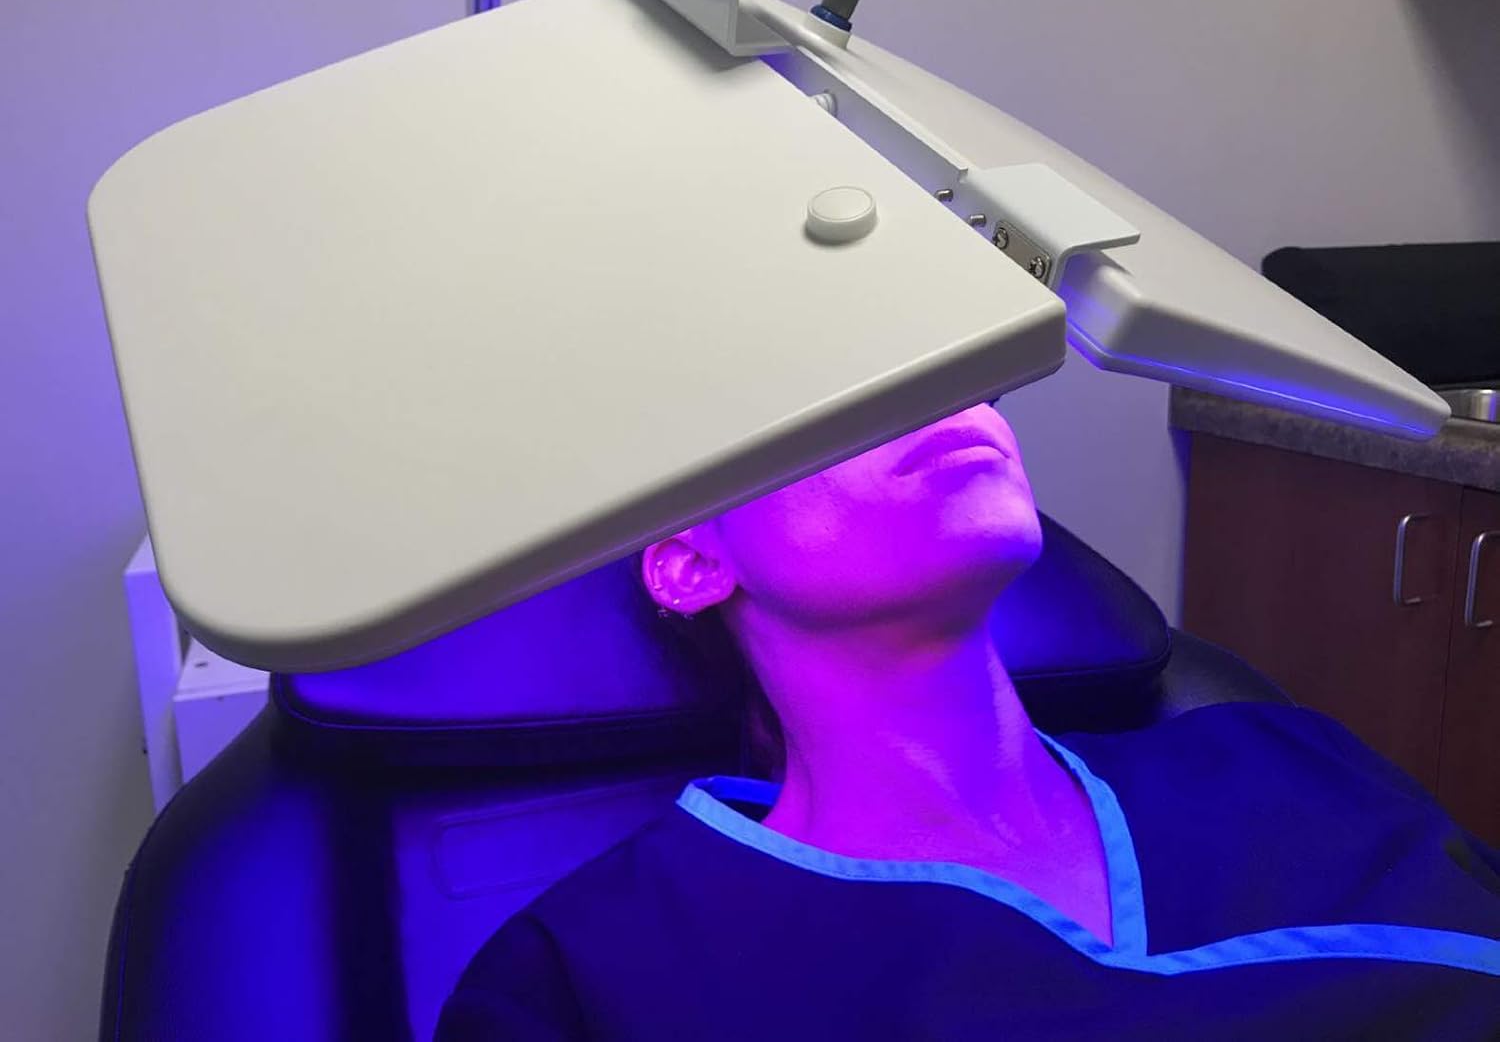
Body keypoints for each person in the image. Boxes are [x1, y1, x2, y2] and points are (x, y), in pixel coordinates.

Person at [439, 403, 1500, 1040]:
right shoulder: (588, 972)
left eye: (955, 368)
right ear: (691, 561)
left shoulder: (1283, 755)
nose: (944, 401)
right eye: (830, 393)